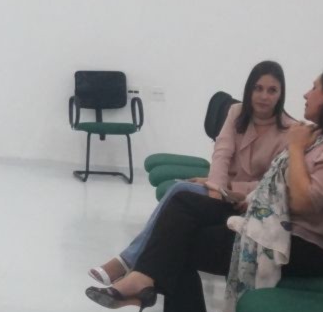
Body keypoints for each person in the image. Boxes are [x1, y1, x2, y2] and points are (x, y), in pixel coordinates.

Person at [87, 61, 323, 312]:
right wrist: (241, 194)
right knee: (184, 202)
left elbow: (304, 203)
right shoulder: (322, 137)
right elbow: (276, 183)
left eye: (314, 87)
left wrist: (296, 148)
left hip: (300, 246)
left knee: (181, 242)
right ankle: (146, 283)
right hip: (272, 222)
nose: (306, 94)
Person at [88, 61, 295, 285]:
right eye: (258, 88)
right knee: (180, 190)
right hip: (223, 191)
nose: (264, 96)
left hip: (250, 201)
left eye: (272, 90)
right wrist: (216, 186)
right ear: (249, 89)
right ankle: (133, 265)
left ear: (281, 94)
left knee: (179, 191)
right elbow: (222, 152)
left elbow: (274, 182)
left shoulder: (289, 130)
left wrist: (229, 188)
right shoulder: (237, 112)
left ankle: (128, 262)